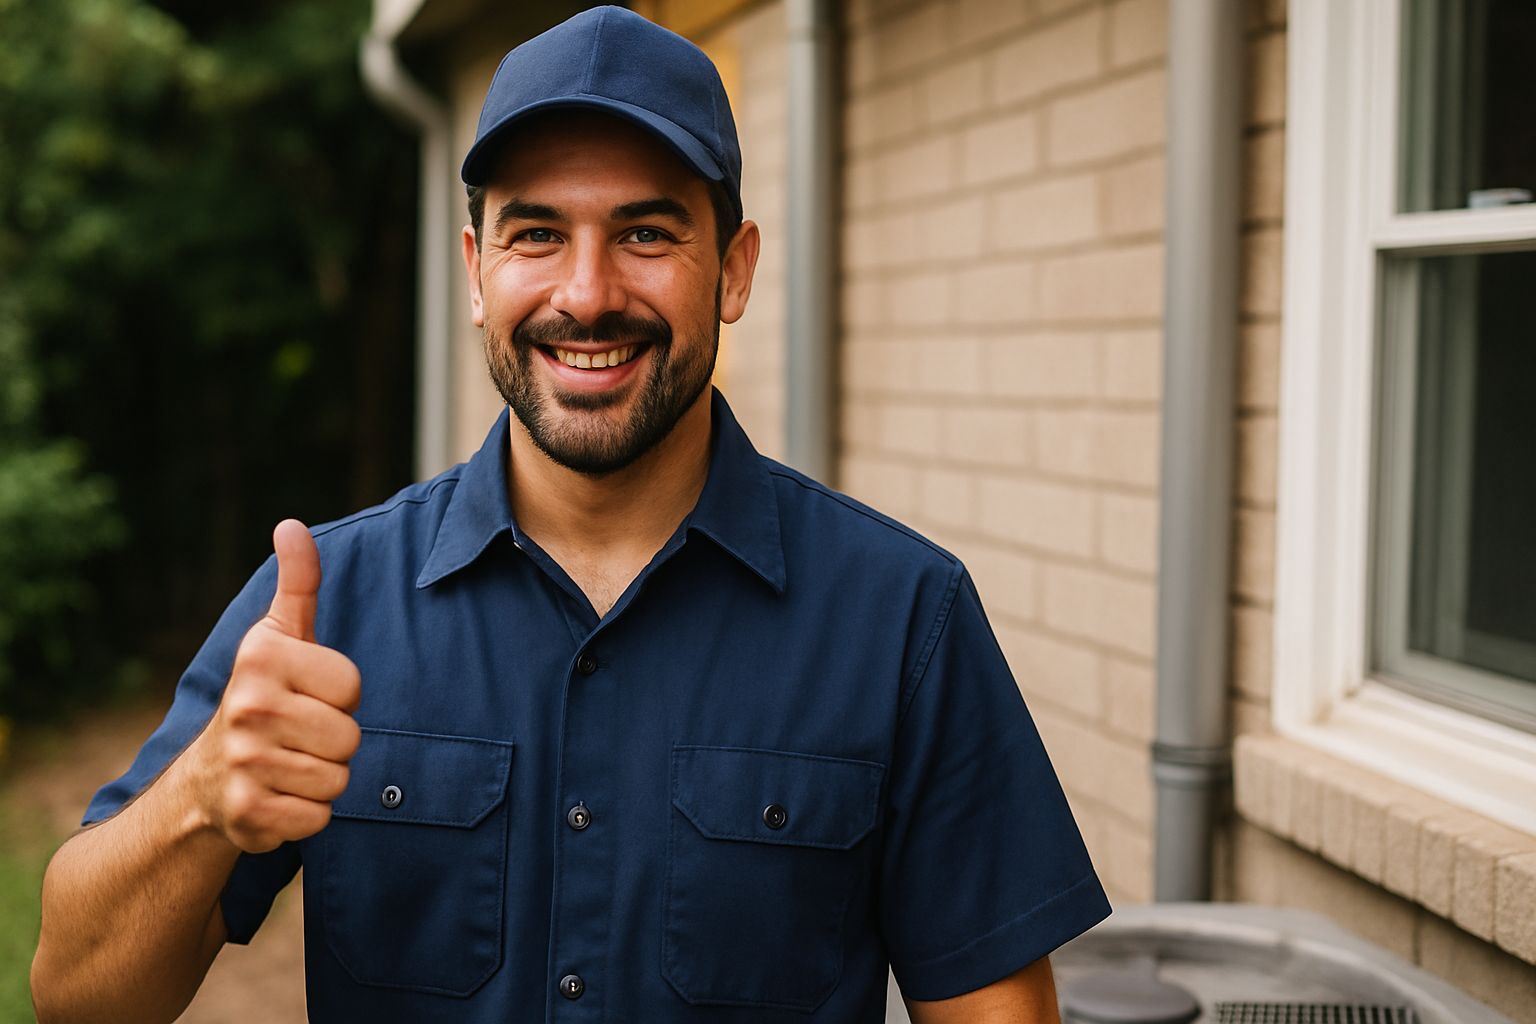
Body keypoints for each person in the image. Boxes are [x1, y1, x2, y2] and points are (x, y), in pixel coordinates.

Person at [30, 8, 1110, 1023]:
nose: (587, 293)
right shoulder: (324, 605)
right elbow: (76, 995)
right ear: (475, 269)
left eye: (646, 232)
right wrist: (201, 799)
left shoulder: (901, 620)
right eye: (536, 233)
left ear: (733, 270)